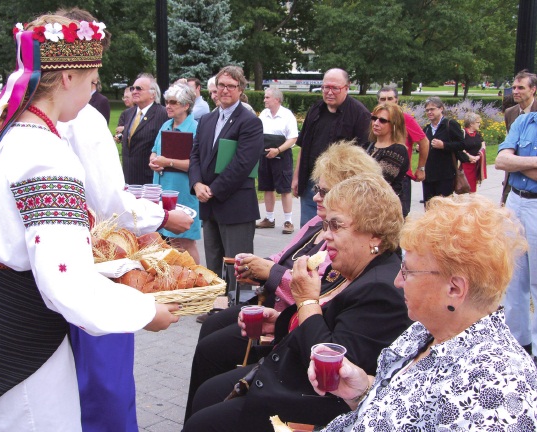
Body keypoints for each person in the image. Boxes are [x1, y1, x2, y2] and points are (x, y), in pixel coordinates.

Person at [0, 16, 181, 430]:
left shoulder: (8, 132)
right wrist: (145, 311)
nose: (95, 91)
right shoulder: (46, 157)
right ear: (68, 76)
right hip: (12, 327)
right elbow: (65, 281)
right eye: (93, 81)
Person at [183, 175, 412, 431]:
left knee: (202, 423)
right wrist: (281, 322)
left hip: (309, 405)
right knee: (206, 393)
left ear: (375, 235)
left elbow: (333, 369)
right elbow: (329, 324)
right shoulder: (358, 270)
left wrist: (306, 300)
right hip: (288, 376)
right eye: (325, 226)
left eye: (335, 226)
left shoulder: (382, 289)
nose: (326, 236)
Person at [311, 194, 537, 431]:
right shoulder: (428, 330)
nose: (398, 281)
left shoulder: (495, 384)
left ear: (454, 289)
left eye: (408, 271)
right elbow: (409, 411)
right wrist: (362, 391)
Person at [188, 65, 263, 275]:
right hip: (209, 207)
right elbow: (195, 155)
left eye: (231, 86)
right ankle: (215, 307)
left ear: (240, 90)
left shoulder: (250, 122)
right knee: (213, 267)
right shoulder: (206, 120)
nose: (225, 90)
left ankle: (237, 308)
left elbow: (242, 164)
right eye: (221, 85)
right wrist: (197, 184)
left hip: (235, 206)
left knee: (237, 269)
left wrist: (212, 190)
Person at [292, 68, 370, 226]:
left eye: (335, 88)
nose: (329, 92)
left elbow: (364, 157)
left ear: (347, 88)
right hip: (311, 183)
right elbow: (303, 146)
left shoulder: (359, 114)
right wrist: (296, 176)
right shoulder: (315, 110)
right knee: (308, 228)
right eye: (326, 87)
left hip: (339, 186)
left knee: (333, 229)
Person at [496, 109, 537, 359]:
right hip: (515, 202)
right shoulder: (523, 121)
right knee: (513, 278)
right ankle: (518, 344)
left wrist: (517, 163)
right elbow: (501, 161)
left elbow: (511, 163)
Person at [149, 83, 201, 263]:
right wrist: (153, 160)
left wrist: (168, 162)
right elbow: (155, 150)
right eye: (166, 102)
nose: (168, 106)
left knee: (185, 242)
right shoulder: (166, 124)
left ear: (186, 105)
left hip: (183, 192)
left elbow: (195, 165)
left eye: (173, 102)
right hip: (163, 190)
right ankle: (180, 278)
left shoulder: (194, 128)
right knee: (171, 240)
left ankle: (196, 279)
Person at [376, 87, 429, 217]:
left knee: (399, 216)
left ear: (397, 100)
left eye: (390, 99)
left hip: (401, 177)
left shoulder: (405, 119)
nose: (386, 102)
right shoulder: (376, 120)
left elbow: (424, 142)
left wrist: (421, 168)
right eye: (383, 99)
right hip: (378, 178)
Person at [255, 87, 299, 234]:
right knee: (267, 187)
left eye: (267, 97)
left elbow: (293, 138)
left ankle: (288, 221)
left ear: (277, 99)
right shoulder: (264, 114)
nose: (264, 100)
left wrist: (278, 150)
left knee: (285, 189)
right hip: (265, 154)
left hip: (282, 155)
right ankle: (269, 218)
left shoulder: (287, 116)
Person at [121, 74, 168, 185]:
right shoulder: (129, 113)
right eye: (133, 88)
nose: (134, 91)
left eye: (139, 88)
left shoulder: (162, 114)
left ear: (153, 94)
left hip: (149, 180)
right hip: (128, 177)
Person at [501, 70, 537, 204]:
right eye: (514, 87)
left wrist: (514, 163)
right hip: (512, 181)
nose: (515, 91)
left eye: (521, 88)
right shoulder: (510, 112)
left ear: (533, 90)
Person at [421, 96, 465, 203]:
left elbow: (462, 144)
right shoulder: (426, 129)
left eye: (432, 109)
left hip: (445, 175)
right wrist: (421, 148)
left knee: (444, 208)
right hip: (429, 175)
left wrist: (444, 145)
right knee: (429, 206)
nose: (429, 112)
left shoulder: (450, 124)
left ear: (441, 109)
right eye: (427, 110)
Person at [366, 103, 409, 199]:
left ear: (394, 124)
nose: (376, 123)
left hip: (386, 206)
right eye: (374, 118)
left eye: (382, 120)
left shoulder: (397, 150)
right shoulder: (369, 145)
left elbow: (381, 181)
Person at [458, 112, 486, 193]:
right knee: (464, 185)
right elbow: (460, 147)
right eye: (478, 122)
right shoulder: (462, 133)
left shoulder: (478, 134)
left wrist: (478, 156)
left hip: (475, 164)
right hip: (464, 164)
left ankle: (472, 202)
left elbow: (483, 146)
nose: (479, 124)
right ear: (471, 124)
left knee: (473, 187)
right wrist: (469, 156)